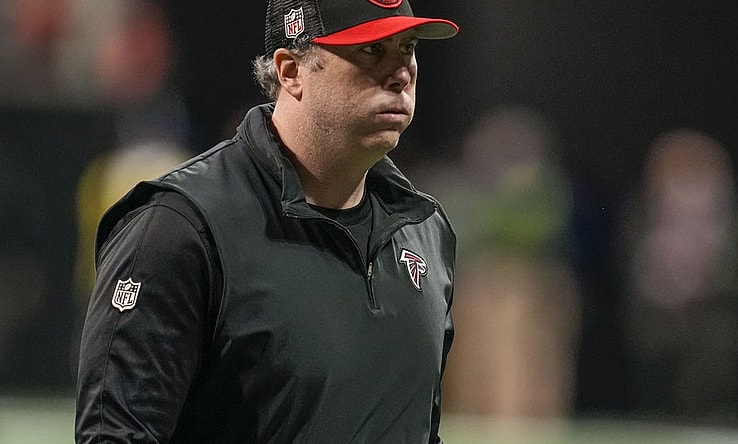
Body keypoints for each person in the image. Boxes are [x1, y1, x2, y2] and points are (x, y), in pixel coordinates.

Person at [74, 0, 458, 442]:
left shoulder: (425, 231)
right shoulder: (182, 227)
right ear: (290, 71)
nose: (401, 73)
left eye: (406, 47)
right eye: (371, 51)